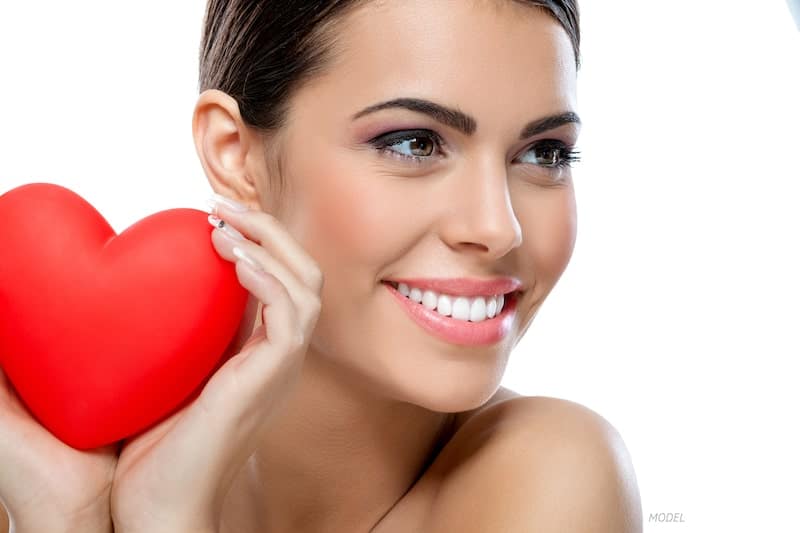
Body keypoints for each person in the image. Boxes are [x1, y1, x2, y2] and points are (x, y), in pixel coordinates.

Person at [0, 0, 643, 531]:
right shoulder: (26, 459)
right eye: (414, 142)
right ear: (235, 155)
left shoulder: (548, 479)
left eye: (545, 153)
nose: (498, 227)